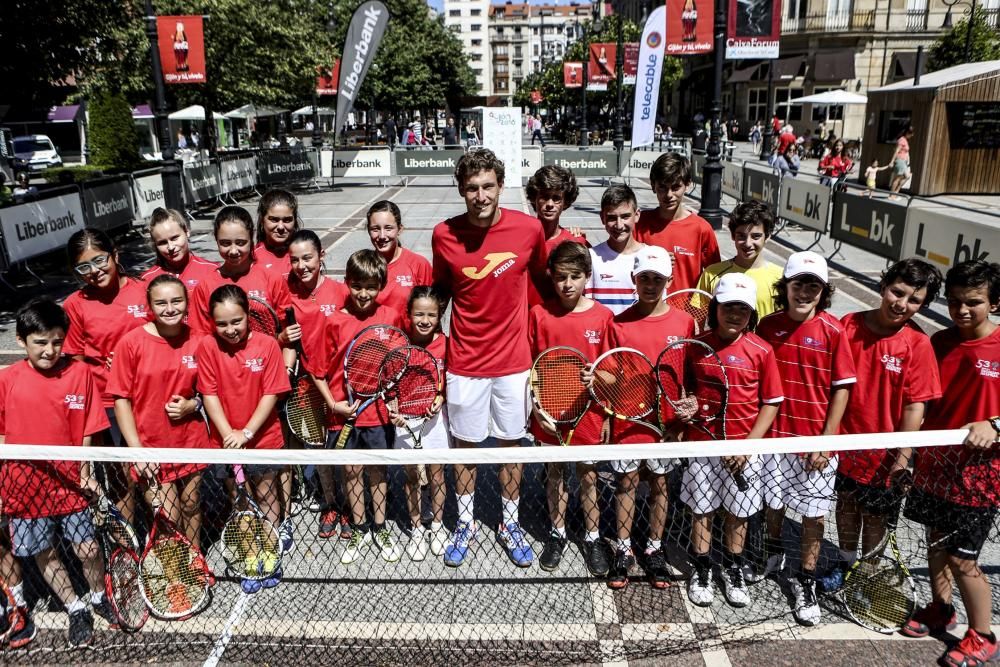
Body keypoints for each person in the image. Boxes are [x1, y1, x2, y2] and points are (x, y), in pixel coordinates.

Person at [431, 148, 546, 568]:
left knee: (510, 446)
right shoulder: (443, 235)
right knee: (466, 447)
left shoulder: (529, 229)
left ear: (501, 185)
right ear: (462, 190)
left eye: (488, 187)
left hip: (514, 363)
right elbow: (439, 295)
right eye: (472, 188)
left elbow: (548, 285)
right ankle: (465, 523)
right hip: (464, 363)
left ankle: (509, 523)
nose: (480, 196)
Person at [0, 298, 115, 648]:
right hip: (22, 486)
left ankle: (97, 595)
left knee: (88, 548)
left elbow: (88, 430)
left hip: (69, 485)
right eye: (40, 342)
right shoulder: (7, 380)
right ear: (21, 341)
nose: (49, 350)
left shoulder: (79, 374)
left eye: (56, 341)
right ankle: (75, 606)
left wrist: (86, 472)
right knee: (44, 553)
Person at [902, 260, 1000, 667]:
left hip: (980, 476)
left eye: (973, 303)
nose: (962, 310)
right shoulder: (938, 342)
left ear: (995, 302)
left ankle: (983, 634)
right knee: (937, 543)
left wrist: (994, 423)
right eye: (956, 301)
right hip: (935, 464)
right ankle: (942, 607)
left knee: (964, 559)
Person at [756, 252, 857, 626]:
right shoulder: (766, 326)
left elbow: (841, 391)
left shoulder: (834, 331)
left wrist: (825, 442)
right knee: (774, 504)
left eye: (812, 285)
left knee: (813, 514)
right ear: (785, 287)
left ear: (822, 291)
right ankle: (773, 551)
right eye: (798, 284)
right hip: (773, 442)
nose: (804, 292)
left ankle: (807, 579)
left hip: (815, 445)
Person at [832, 259, 943, 588]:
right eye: (898, 292)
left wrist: (902, 458)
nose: (902, 304)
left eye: (914, 300)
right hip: (845, 445)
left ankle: (868, 573)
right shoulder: (848, 325)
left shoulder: (918, 344)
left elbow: (914, 407)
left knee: (876, 518)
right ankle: (845, 562)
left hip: (884, 457)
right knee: (846, 508)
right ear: (883, 287)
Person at [107, 275, 214, 602]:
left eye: (176, 301)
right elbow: (120, 398)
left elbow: (210, 390)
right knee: (166, 516)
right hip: (150, 447)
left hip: (192, 440)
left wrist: (193, 404)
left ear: (187, 303)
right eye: (161, 303)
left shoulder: (201, 340)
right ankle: (174, 577)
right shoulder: (131, 343)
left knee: (192, 505)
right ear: (149, 307)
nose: (170, 309)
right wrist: (136, 450)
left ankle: (193, 559)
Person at [680, 275, 783, 609]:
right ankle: (702, 567)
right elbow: (687, 391)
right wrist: (690, 404)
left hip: (744, 450)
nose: (735, 314)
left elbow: (772, 401)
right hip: (702, 447)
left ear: (751, 313)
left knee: (737, 515)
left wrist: (748, 446)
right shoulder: (696, 347)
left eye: (742, 308)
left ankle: (734, 568)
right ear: (715, 308)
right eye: (728, 306)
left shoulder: (761, 350)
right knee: (702, 511)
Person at [605, 245, 695, 590]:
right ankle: (624, 551)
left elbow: (691, 371)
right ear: (634, 280)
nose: (650, 284)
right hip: (629, 420)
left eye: (657, 278)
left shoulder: (684, 321)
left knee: (660, 486)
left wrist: (689, 408)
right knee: (626, 483)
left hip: (668, 425)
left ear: (669, 281)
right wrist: (594, 377)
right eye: (644, 278)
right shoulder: (619, 324)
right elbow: (613, 374)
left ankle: (655, 550)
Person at [309, 250, 405, 564]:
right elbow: (319, 370)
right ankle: (360, 527)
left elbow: (395, 366)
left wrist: (393, 401)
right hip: (344, 414)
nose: (364, 293)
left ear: (381, 286)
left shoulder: (390, 317)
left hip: (377, 413)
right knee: (351, 472)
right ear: (348, 283)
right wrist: (333, 404)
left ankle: (380, 527)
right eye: (357, 285)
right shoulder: (334, 320)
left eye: (371, 287)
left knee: (377, 471)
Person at [197, 285, 291, 593]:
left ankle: (270, 551)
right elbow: (208, 395)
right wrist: (228, 435)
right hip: (225, 442)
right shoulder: (208, 346)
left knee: (266, 496)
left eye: (236, 321)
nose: (230, 329)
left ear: (247, 316)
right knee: (239, 500)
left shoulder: (267, 346)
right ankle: (251, 556)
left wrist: (247, 432)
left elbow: (271, 394)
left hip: (263, 439)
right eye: (221, 323)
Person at [528, 242, 614, 575]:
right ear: (552, 277)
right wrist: (536, 409)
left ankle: (592, 538)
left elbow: (612, 371)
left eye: (575, 276)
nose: (568, 284)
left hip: (589, 414)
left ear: (587, 277)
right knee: (555, 476)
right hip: (550, 415)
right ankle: (557, 532)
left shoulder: (603, 316)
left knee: (589, 477)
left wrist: (599, 384)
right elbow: (532, 368)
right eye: (561, 277)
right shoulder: (540, 314)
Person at [62, 229, 149, 522]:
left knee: (153, 469)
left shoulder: (143, 289)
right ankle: (127, 545)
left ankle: (162, 540)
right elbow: (75, 358)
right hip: (108, 403)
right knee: (120, 476)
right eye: (83, 267)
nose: (94, 271)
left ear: (115, 254)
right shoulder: (75, 304)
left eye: (100, 260)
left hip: (149, 396)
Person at [285, 229, 349, 540]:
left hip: (339, 384)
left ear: (321, 257)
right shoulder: (288, 297)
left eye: (307, 258)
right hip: (308, 385)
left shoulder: (341, 291)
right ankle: (331, 502)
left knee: (344, 447)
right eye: (295, 260)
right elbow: (286, 341)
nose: (301, 265)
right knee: (322, 448)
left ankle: (351, 505)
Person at [393, 286, 450, 561]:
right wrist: (394, 412)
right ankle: (417, 528)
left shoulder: (445, 344)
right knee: (412, 477)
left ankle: (437, 527)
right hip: (406, 421)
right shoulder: (399, 346)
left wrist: (441, 397)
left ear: (439, 316)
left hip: (435, 422)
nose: (425, 320)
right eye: (418, 314)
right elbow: (389, 387)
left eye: (431, 314)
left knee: (437, 475)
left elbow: (449, 382)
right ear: (409, 314)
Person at [187, 206, 293, 343]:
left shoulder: (272, 279)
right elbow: (199, 337)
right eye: (225, 243)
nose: (233, 250)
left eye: (240, 243)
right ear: (216, 240)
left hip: (267, 362)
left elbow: (287, 334)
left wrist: (286, 364)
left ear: (251, 238)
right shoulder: (205, 286)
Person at [634, 153, 720, 293]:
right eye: (662, 187)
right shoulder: (639, 224)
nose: (669, 195)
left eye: (675, 187)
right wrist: (653, 260)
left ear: (687, 185)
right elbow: (623, 264)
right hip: (648, 311)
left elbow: (715, 277)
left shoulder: (702, 229)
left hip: (688, 313)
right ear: (653, 185)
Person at [696, 199, 783, 319]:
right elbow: (698, 319)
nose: (748, 243)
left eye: (756, 236)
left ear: (767, 236)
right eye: (741, 236)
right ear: (732, 235)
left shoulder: (780, 277)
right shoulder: (712, 274)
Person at [525, 165, 587, 307]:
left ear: (565, 202)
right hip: (525, 321)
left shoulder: (575, 242)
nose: (550, 204)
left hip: (558, 322)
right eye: (544, 197)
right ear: (534, 198)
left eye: (556, 198)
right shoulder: (520, 239)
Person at [586, 184, 646, 315]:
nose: (619, 225)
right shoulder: (590, 257)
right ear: (602, 218)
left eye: (625, 216)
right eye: (612, 218)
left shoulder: (650, 257)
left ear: (637, 215)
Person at [366, 200, 432, 315]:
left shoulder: (419, 265)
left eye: (388, 228)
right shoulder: (363, 266)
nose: (382, 236)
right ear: (368, 230)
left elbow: (431, 310)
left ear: (400, 229)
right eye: (375, 229)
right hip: (372, 332)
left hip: (407, 333)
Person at [141, 208, 219, 290]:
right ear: (155, 244)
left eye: (174, 238)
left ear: (186, 231)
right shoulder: (146, 279)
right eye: (162, 243)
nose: (171, 247)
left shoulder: (211, 270)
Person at [255, 189, 300, 275]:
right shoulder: (251, 258)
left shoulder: (305, 253)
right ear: (262, 221)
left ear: (295, 221)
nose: (280, 227)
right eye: (274, 220)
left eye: (287, 220)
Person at [890, 125, 914, 198]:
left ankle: (896, 192)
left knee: (907, 176)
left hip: (903, 162)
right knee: (897, 178)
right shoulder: (902, 140)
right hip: (900, 160)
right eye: (911, 134)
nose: (912, 136)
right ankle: (891, 195)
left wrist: (908, 161)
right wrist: (892, 161)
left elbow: (906, 152)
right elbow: (897, 150)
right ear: (907, 133)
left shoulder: (905, 140)